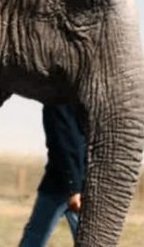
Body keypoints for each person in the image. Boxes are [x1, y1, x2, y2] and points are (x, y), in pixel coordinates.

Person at [19, 103, 86, 246]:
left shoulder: (66, 104)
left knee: (35, 234)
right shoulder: (59, 105)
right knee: (35, 236)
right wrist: (74, 188)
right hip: (62, 185)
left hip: (69, 184)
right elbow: (66, 147)